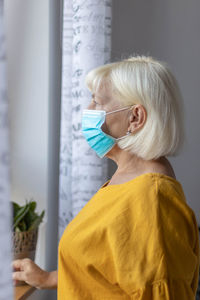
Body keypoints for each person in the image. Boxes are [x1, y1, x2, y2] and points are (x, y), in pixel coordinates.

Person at [12, 55, 200, 299]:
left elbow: (161, 290)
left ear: (135, 118)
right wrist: (48, 278)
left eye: (97, 102)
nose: (88, 111)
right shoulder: (127, 180)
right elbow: (110, 265)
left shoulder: (152, 200)